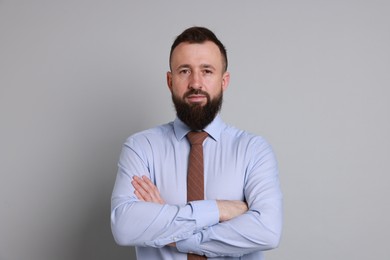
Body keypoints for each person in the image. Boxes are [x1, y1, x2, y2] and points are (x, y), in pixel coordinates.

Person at [111, 26, 283, 259]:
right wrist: (219, 209)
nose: (196, 83)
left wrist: (170, 228)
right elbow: (125, 227)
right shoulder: (141, 148)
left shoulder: (253, 150)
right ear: (170, 81)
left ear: (224, 81)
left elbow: (267, 232)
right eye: (184, 71)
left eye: (207, 71)